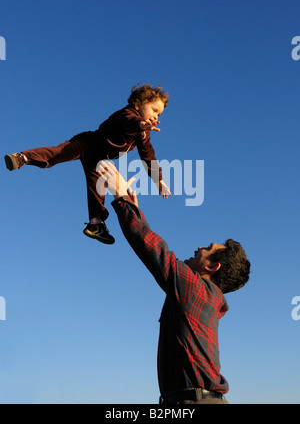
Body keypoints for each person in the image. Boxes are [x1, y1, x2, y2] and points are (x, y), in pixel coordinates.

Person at [97, 161, 251, 404]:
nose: (199, 247)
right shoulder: (202, 298)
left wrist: (122, 198)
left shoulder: (196, 289)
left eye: (207, 249)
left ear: (212, 267)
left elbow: (154, 249)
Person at [4, 84, 171, 244]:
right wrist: (140, 124)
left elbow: (148, 155)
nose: (156, 116)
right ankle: (22, 158)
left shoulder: (143, 135)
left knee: (97, 188)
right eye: (154, 110)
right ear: (138, 104)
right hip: (87, 144)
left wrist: (158, 180)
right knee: (57, 154)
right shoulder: (127, 114)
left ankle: (95, 224)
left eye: (160, 114)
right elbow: (129, 120)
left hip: (99, 159)